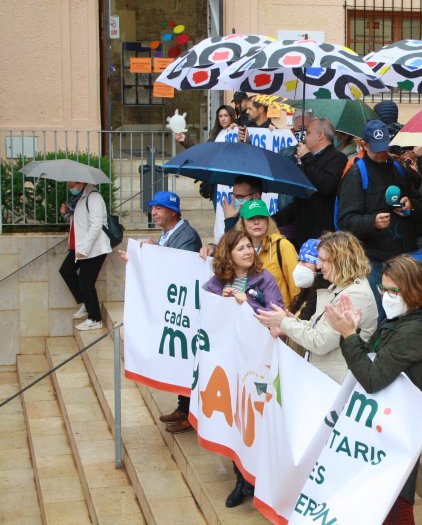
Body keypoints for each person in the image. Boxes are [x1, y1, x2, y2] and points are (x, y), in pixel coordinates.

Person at [325, 255, 422, 525]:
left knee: (396, 506)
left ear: (414, 290)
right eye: (383, 289)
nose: (386, 296)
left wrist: (349, 336)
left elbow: (371, 378)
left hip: (397, 430)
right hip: (387, 424)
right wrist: (355, 332)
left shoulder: (415, 330)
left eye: (394, 290)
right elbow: (377, 359)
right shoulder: (404, 319)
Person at [202, 229, 283, 509]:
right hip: (229, 364)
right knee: (235, 420)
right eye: (241, 248)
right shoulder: (214, 285)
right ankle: (242, 480)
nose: (249, 251)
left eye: (250, 246)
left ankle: (261, 479)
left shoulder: (265, 278)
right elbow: (206, 317)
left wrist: (245, 303)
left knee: (258, 419)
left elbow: (277, 313)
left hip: (259, 361)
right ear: (228, 255)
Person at [118, 190, 203, 434]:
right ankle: (181, 407)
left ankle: (189, 413)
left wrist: (149, 256)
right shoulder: (168, 234)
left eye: (159, 208)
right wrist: (141, 257)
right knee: (176, 361)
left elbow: (176, 268)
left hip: (185, 311)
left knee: (186, 363)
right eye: (152, 207)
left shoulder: (187, 236)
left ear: (173, 212)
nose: (153, 212)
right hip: (173, 310)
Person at [256, 231, 379, 383]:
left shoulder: (355, 296)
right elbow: (320, 327)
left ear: (339, 260)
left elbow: (320, 342)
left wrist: (284, 322)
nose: (319, 266)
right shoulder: (341, 287)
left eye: (322, 260)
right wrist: (290, 323)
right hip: (328, 378)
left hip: (338, 383)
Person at [336, 120, 422, 320]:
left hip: (405, 258)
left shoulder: (399, 168)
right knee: (378, 317)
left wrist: (411, 205)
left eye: (384, 148)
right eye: (376, 149)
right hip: (375, 262)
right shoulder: (355, 174)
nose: (381, 153)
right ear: (363, 145)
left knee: (409, 315)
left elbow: (421, 202)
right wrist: (372, 222)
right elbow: (345, 221)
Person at [272, 119, 347, 248]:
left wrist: (307, 158)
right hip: (303, 235)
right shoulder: (309, 160)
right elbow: (300, 202)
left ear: (320, 135)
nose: (304, 137)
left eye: (308, 132)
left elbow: (326, 186)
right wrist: (272, 220)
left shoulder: (338, 158)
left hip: (323, 238)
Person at [59, 181, 112, 331]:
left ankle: (95, 318)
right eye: (68, 186)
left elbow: (96, 225)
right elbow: (79, 222)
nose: (71, 188)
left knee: (86, 282)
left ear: (81, 182)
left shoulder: (93, 197)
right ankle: (85, 303)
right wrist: (65, 213)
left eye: (72, 185)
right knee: (66, 271)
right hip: (79, 246)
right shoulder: (79, 199)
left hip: (94, 248)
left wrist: (85, 248)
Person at [237, 200, 299, 306]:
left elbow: (297, 292)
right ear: (243, 223)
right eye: (250, 218)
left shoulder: (283, 246)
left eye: (261, 217)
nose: (256, 222)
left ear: (268, 220)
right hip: (248, 318)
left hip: (279, 317)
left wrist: (290, 319)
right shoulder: (237, 250)